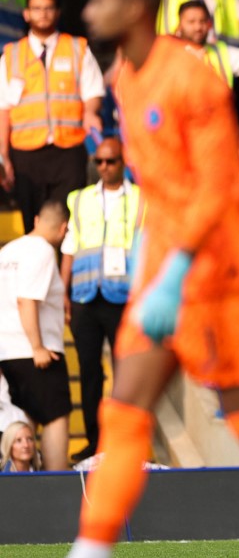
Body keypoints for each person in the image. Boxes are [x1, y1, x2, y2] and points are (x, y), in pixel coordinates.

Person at [0, 0, 239, 558]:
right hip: (167, 271)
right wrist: (154, 268)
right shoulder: (123, 73)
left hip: (217, 279)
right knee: (122, 416)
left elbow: (211, 188)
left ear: (138, 6)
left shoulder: (192, 78)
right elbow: (164, 192)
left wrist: (173, 274)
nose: (86, 6)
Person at [59, 137, 143, 463]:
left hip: (123, 297)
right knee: (89, 373)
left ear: (123, 163)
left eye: (111, 161)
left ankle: (124, 441)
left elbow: (147, 247)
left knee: (126, 372)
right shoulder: (80, 200)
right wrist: (65, 294)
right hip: (84, 296)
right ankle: (95, 443)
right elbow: (69, 247)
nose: (104, 167)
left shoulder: (140, 199)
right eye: (100, 161)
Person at [0, 0, 104, 234]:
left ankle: (64, 272)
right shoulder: (11, 55)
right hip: (26, 154)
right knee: (31, 224)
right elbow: (3, 110)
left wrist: (90, 112)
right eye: (36, 9)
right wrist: (3, 156)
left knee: (67, 223)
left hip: (67, 150)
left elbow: (92, 92)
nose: (42, 14)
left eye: (48, 8)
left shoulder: (78, 48)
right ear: (26, 14)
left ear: (57, 12)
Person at [0, 198, 70, 472]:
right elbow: (26, 299)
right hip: (34, 351)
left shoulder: (8, 251)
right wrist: (38, 346)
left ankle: (19, 493)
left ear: (37, 221)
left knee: (23, 422)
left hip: (7, 352)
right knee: (55, 417)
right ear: (63, 229)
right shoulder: (42, 250)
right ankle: (56, 487)